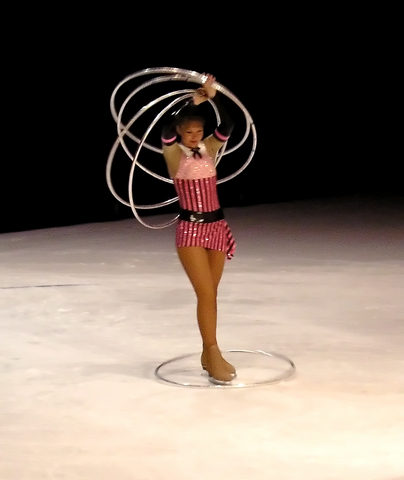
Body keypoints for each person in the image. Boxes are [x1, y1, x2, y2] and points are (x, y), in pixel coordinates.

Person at [161, 74, 237, 385]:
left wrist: (213, 95)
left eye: (198, 131)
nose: (194, 136)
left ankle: (208, 354)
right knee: (205, 293)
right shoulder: (173, 153)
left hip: (217, 226)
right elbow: (166, 129)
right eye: (189, 131)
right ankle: (213, 352)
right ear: (181, 131)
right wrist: (190, 102)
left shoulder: (209, 148)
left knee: (212, 296)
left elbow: (229, 124)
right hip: (191, 229)